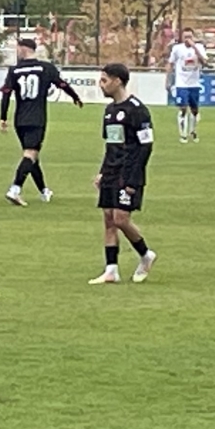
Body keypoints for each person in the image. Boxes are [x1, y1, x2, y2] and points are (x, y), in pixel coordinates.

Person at [88, 63, 157, 285]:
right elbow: (111, 144)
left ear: (118, 81)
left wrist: (133, 179)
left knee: (121, 218)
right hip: (111, 171)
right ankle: (111, 270)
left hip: (128, 172)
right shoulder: (109, 112)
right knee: (108, 220)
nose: (101, 85)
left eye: (105, 80)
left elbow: (146, 146)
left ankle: (146, 254)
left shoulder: (137, 110)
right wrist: (102, 172)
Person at [0, 37, 82, 205]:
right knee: (30, 154)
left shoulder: (14, 70)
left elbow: (6, 93)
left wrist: (3, 116)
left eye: (18, 48)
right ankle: (15, 189)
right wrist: (75, 97)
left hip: (20, 120)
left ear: (24, 48)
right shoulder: (46, 68)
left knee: (31, 156)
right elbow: (62, 84)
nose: (17, 51)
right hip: (37, 118)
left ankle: (44, 191)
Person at [165, 27, 208, 143]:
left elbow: (204, 62)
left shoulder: (199, 48)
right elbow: (170, 64)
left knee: (194, 110)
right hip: (181, 83)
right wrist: (168, 80)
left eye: (189, 37)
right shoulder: (177, 49)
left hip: (194, 83)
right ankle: (183, 134)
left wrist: (194, 47)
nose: (187, 39)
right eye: (185, 37)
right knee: (183, 108)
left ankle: (193, 131)